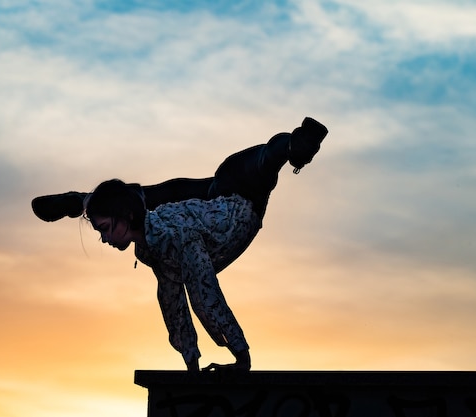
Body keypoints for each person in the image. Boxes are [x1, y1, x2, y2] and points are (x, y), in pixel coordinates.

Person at [32, 117, 328, 372]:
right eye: (100, 232)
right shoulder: (152, 246)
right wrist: (191, 363)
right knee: (166, 192)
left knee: (259, 165)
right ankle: (81, 200)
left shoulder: (177, 236)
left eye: (106, 229)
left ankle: (294, 145)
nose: (105, 240)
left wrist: (241, 355)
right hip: (208, 201)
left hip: (241, 198)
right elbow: (171, 302)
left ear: (125, 217)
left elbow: (203, 291)